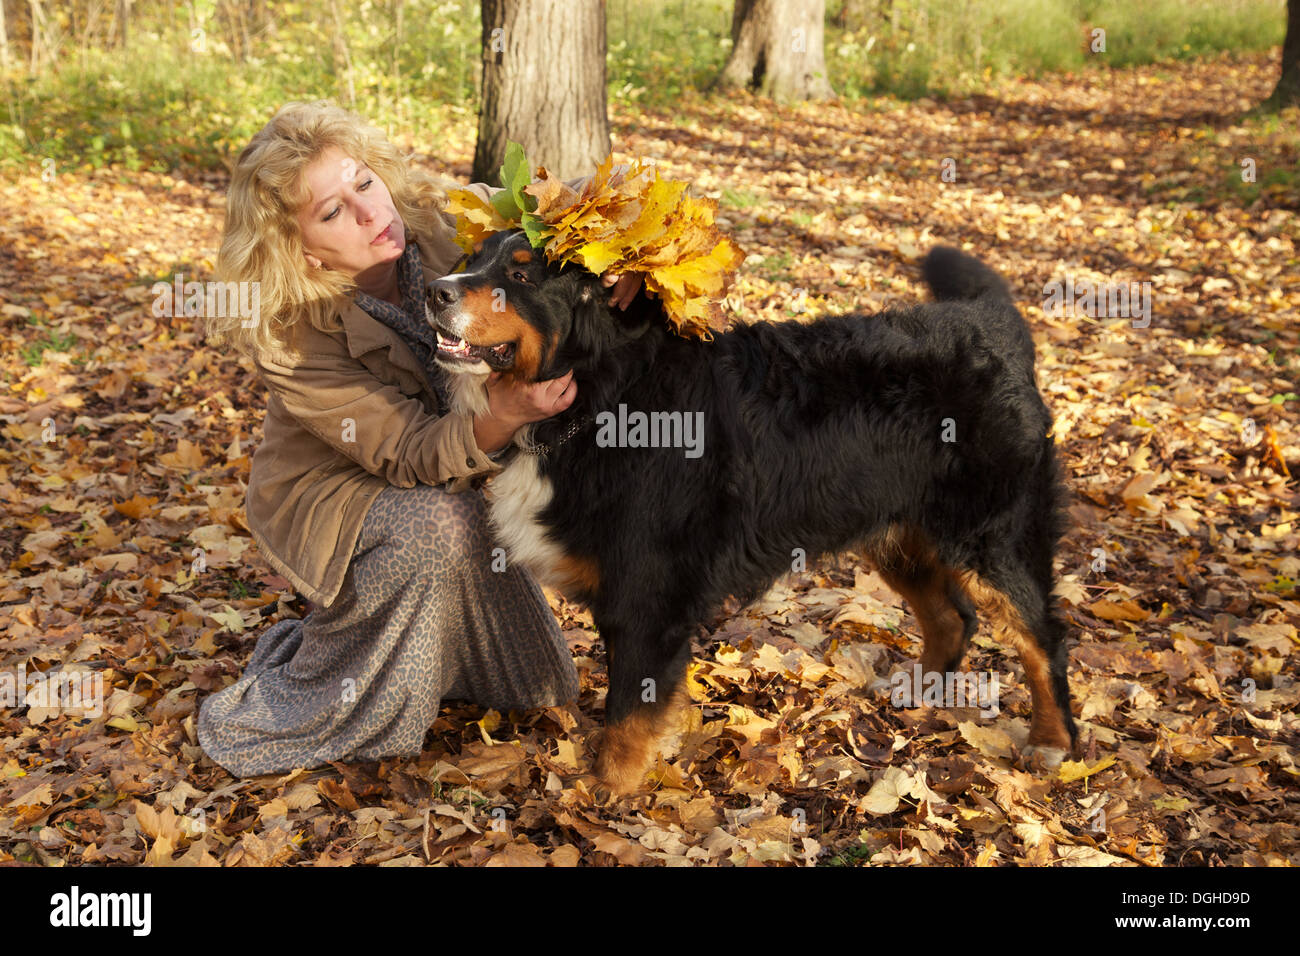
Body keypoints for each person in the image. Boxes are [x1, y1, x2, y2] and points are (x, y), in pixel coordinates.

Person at [196, 100, 640, 776]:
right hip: (335, 487)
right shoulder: (290, 334)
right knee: (439, 525)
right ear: (301, 251)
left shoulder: (443, 217)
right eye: (332, 212)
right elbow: (408, 450)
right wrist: (508, 414)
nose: (371, 213)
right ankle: (321, 696)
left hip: (455, 460)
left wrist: (626, 249)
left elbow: (561, 208)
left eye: (364, 183)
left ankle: (445, 665)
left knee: (540, 688)